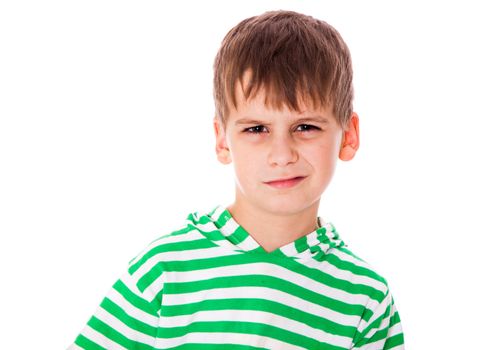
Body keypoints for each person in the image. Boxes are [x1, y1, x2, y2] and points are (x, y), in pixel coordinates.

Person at [69, 9, 404, 350]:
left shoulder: (365, 298)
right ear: (222, 139)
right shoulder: (164, 272)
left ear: (348, 135)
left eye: (305, 127)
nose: (281, 154)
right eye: (256, 129)